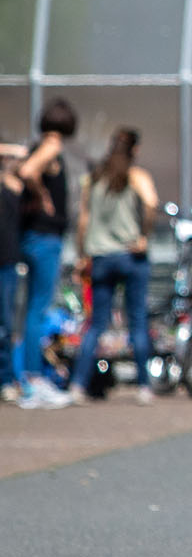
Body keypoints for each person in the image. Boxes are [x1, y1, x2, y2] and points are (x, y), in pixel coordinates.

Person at [69, 128, 159, 405]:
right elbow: (152, 203)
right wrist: (144, 234)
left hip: (101, 257)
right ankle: (144, 386)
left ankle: (78, 384)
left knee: (96, 323)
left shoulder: (94, 179)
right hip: (130, 255)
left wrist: (82, 253)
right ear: (135, 150)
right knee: (137, 322)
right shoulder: (136, 176)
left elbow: (83, 220)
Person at [16, 99, 79, 410]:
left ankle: (28, 378)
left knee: (32, 309)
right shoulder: (51, 147)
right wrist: (43, 195)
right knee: (38, 310)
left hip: (31, 236)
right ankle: (34, 380)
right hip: (44, 238)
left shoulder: (35, 144)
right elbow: (28, 171)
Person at [0, 141, 23, 403]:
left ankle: (6, 379)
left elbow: (25, 166)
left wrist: (12, 155)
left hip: (5, 260)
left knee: (5, 325)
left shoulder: (11, 185)